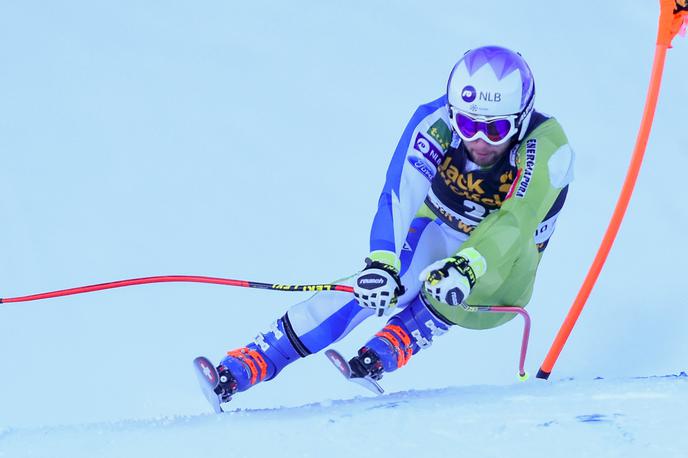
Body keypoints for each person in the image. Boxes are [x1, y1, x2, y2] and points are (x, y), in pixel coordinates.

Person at [209, 45, 574, 403]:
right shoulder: (435, 121)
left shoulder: (549, 149)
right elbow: (401, 191)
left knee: (457, 276)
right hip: (438, 230)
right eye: (466, 124)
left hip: (502, 269)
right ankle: (255, 361)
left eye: (495, 130)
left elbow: (515, 220)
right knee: (378, 283)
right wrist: (382, 262)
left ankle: (407, 333)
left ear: (523, 117)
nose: (478, 141)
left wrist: (467, 266)